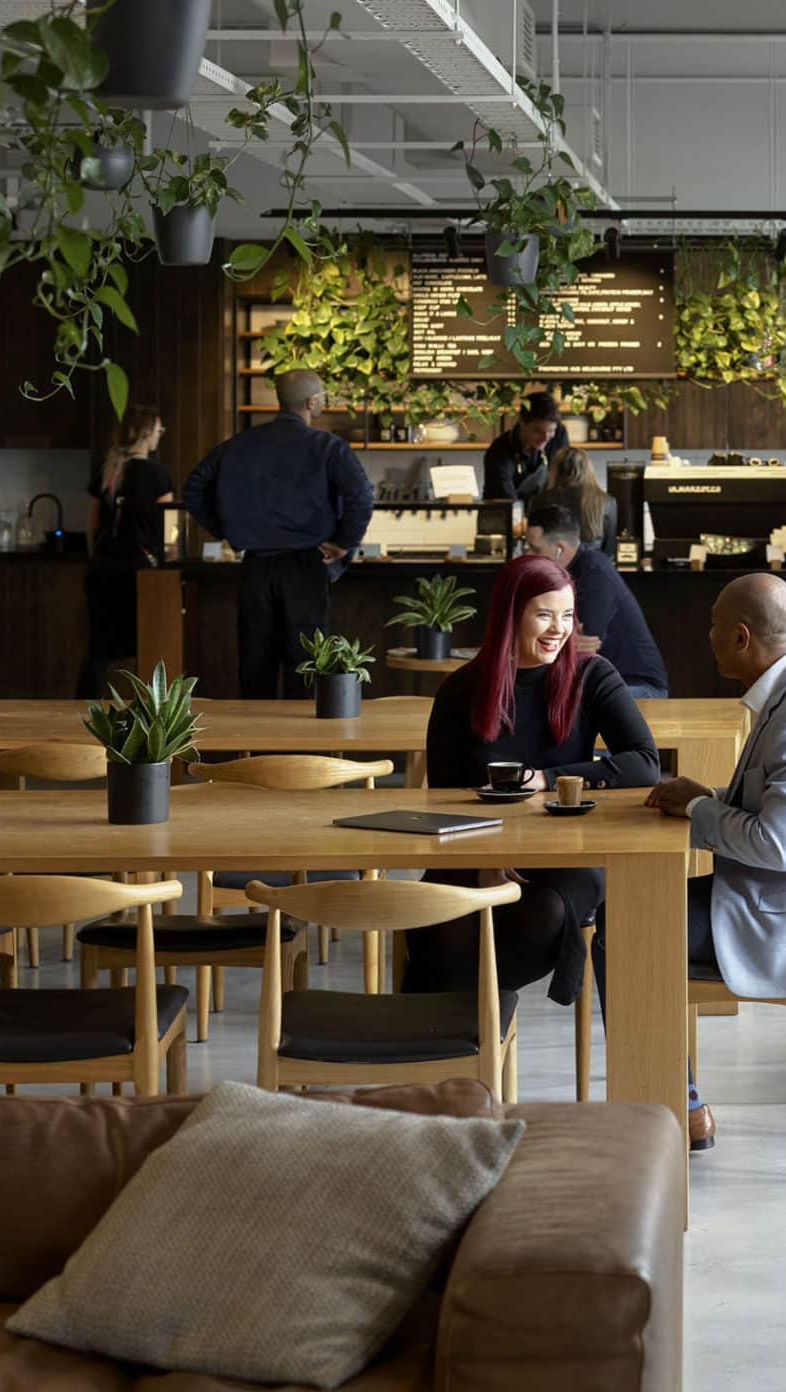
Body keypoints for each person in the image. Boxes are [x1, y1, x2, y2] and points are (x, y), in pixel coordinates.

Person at [594, 573, 786, 1152]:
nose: (708, 636)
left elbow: (777, 844)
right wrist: (713, 799)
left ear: (742, 638)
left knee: (621, 932)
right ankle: (673, 1097)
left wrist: (700, 807)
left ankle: (674, 1106)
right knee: (630, 912)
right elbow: (782, 806)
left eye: (714, 627)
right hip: (775, 898)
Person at [407, 553, 661, 1013]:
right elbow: (440, 798)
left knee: (542, 914)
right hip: (477, 847)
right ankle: (445, 1035)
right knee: (439, 922)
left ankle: (468, 1018)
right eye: (544, 615)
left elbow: (645, 763)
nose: (558, 629)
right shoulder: (461, 690)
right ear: (511, 615)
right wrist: (484, 861)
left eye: (566, 616)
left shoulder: (592, 675)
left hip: (569, 853)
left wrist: (548, 778)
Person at [181, 369, 373, 699]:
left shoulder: (238, 445)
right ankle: (302, 748)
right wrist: (344, 543)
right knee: (308, 665)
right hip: (307, 565)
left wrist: (226, 529)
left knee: (256, 665)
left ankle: (257, 749)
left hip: (256, 566)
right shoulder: (328, 447)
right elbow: (362, 497)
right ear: (312, 402)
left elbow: (194, 489)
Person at [523, 500, 668, 698]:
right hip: (609, 682)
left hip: (640, 687)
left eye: (534, 549)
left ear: (560, 549)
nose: (527, 555)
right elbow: (564, 642)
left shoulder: (594, 573)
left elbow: (580, 648)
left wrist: (555, 639)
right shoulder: (569, 573)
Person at [77, 405, 174, 699]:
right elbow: (170, 533)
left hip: (102, 571)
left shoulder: (106, 469)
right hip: (141, 573)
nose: (160, 436)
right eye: (158, 430)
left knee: (99, 651)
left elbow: (92, 529)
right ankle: (149, 716)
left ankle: (80, 714)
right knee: (150, 646)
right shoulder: (157, 474)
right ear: (147, 434)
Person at [482, 390, 570, 504]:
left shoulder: (559, 434)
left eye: (551, 431)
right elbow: (505, 499)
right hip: (504, 513)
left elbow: (564, 478)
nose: (546, 438)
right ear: (522, 422)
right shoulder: (499, 451)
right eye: (538, 431)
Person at [543, 444, 618, 552]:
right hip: (593, 566)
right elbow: (609, 551)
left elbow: (536, 546)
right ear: (588, 469)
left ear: (555, 470)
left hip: (554, 566)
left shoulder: (541, 501)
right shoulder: (606, 502)